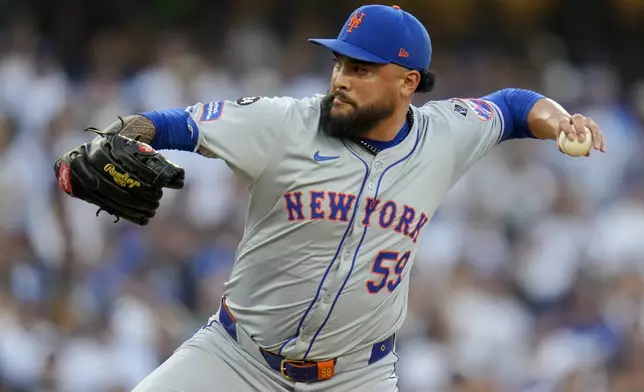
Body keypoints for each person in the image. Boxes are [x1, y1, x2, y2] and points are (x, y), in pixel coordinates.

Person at [55, 4, 606, 392]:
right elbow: (172, 124)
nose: (341, 78)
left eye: (361, 69)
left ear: (407, 83)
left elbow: (512, 105)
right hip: (236, 359)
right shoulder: (283, 122)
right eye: (339, 62)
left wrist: (560, 122)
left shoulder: (445, 134)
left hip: (355, 377)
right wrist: (121, 131)